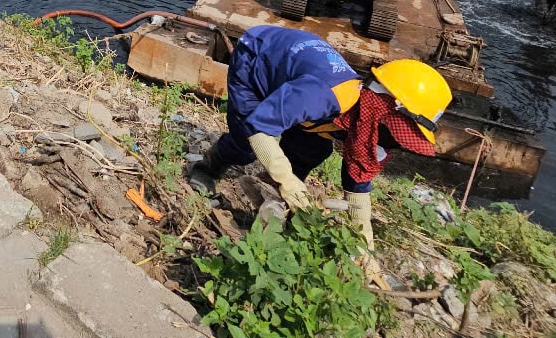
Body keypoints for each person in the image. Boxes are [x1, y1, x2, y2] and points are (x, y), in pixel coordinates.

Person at [189, 25, 452, 254]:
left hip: (297, 75)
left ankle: (276, 194)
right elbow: (259, 128)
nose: (397, 141)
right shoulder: (324, 95)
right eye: (399, 131)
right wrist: (288, 180)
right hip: (258, 59)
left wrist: (365, 246)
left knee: (315, 148)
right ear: (384, 108)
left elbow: (358, 185)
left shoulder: (369, 125)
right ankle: (207, 167)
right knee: (247, 141)